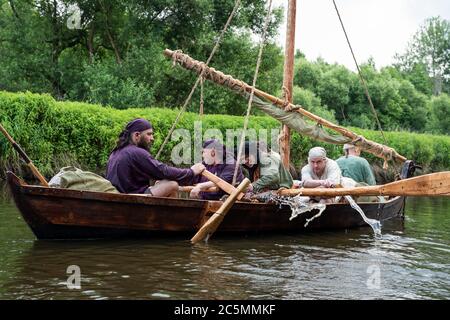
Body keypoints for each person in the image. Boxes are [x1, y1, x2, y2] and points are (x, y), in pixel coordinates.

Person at [106, 118, 205, 196]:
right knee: (172, 184)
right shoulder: (136, 152)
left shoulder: (115, 152)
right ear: (137, 135)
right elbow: (163, 171)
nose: (152, 138)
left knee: (162, 183)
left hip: (122, 197)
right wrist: (191, 172)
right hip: (131, 199)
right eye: (149, 134)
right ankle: (170, 219)